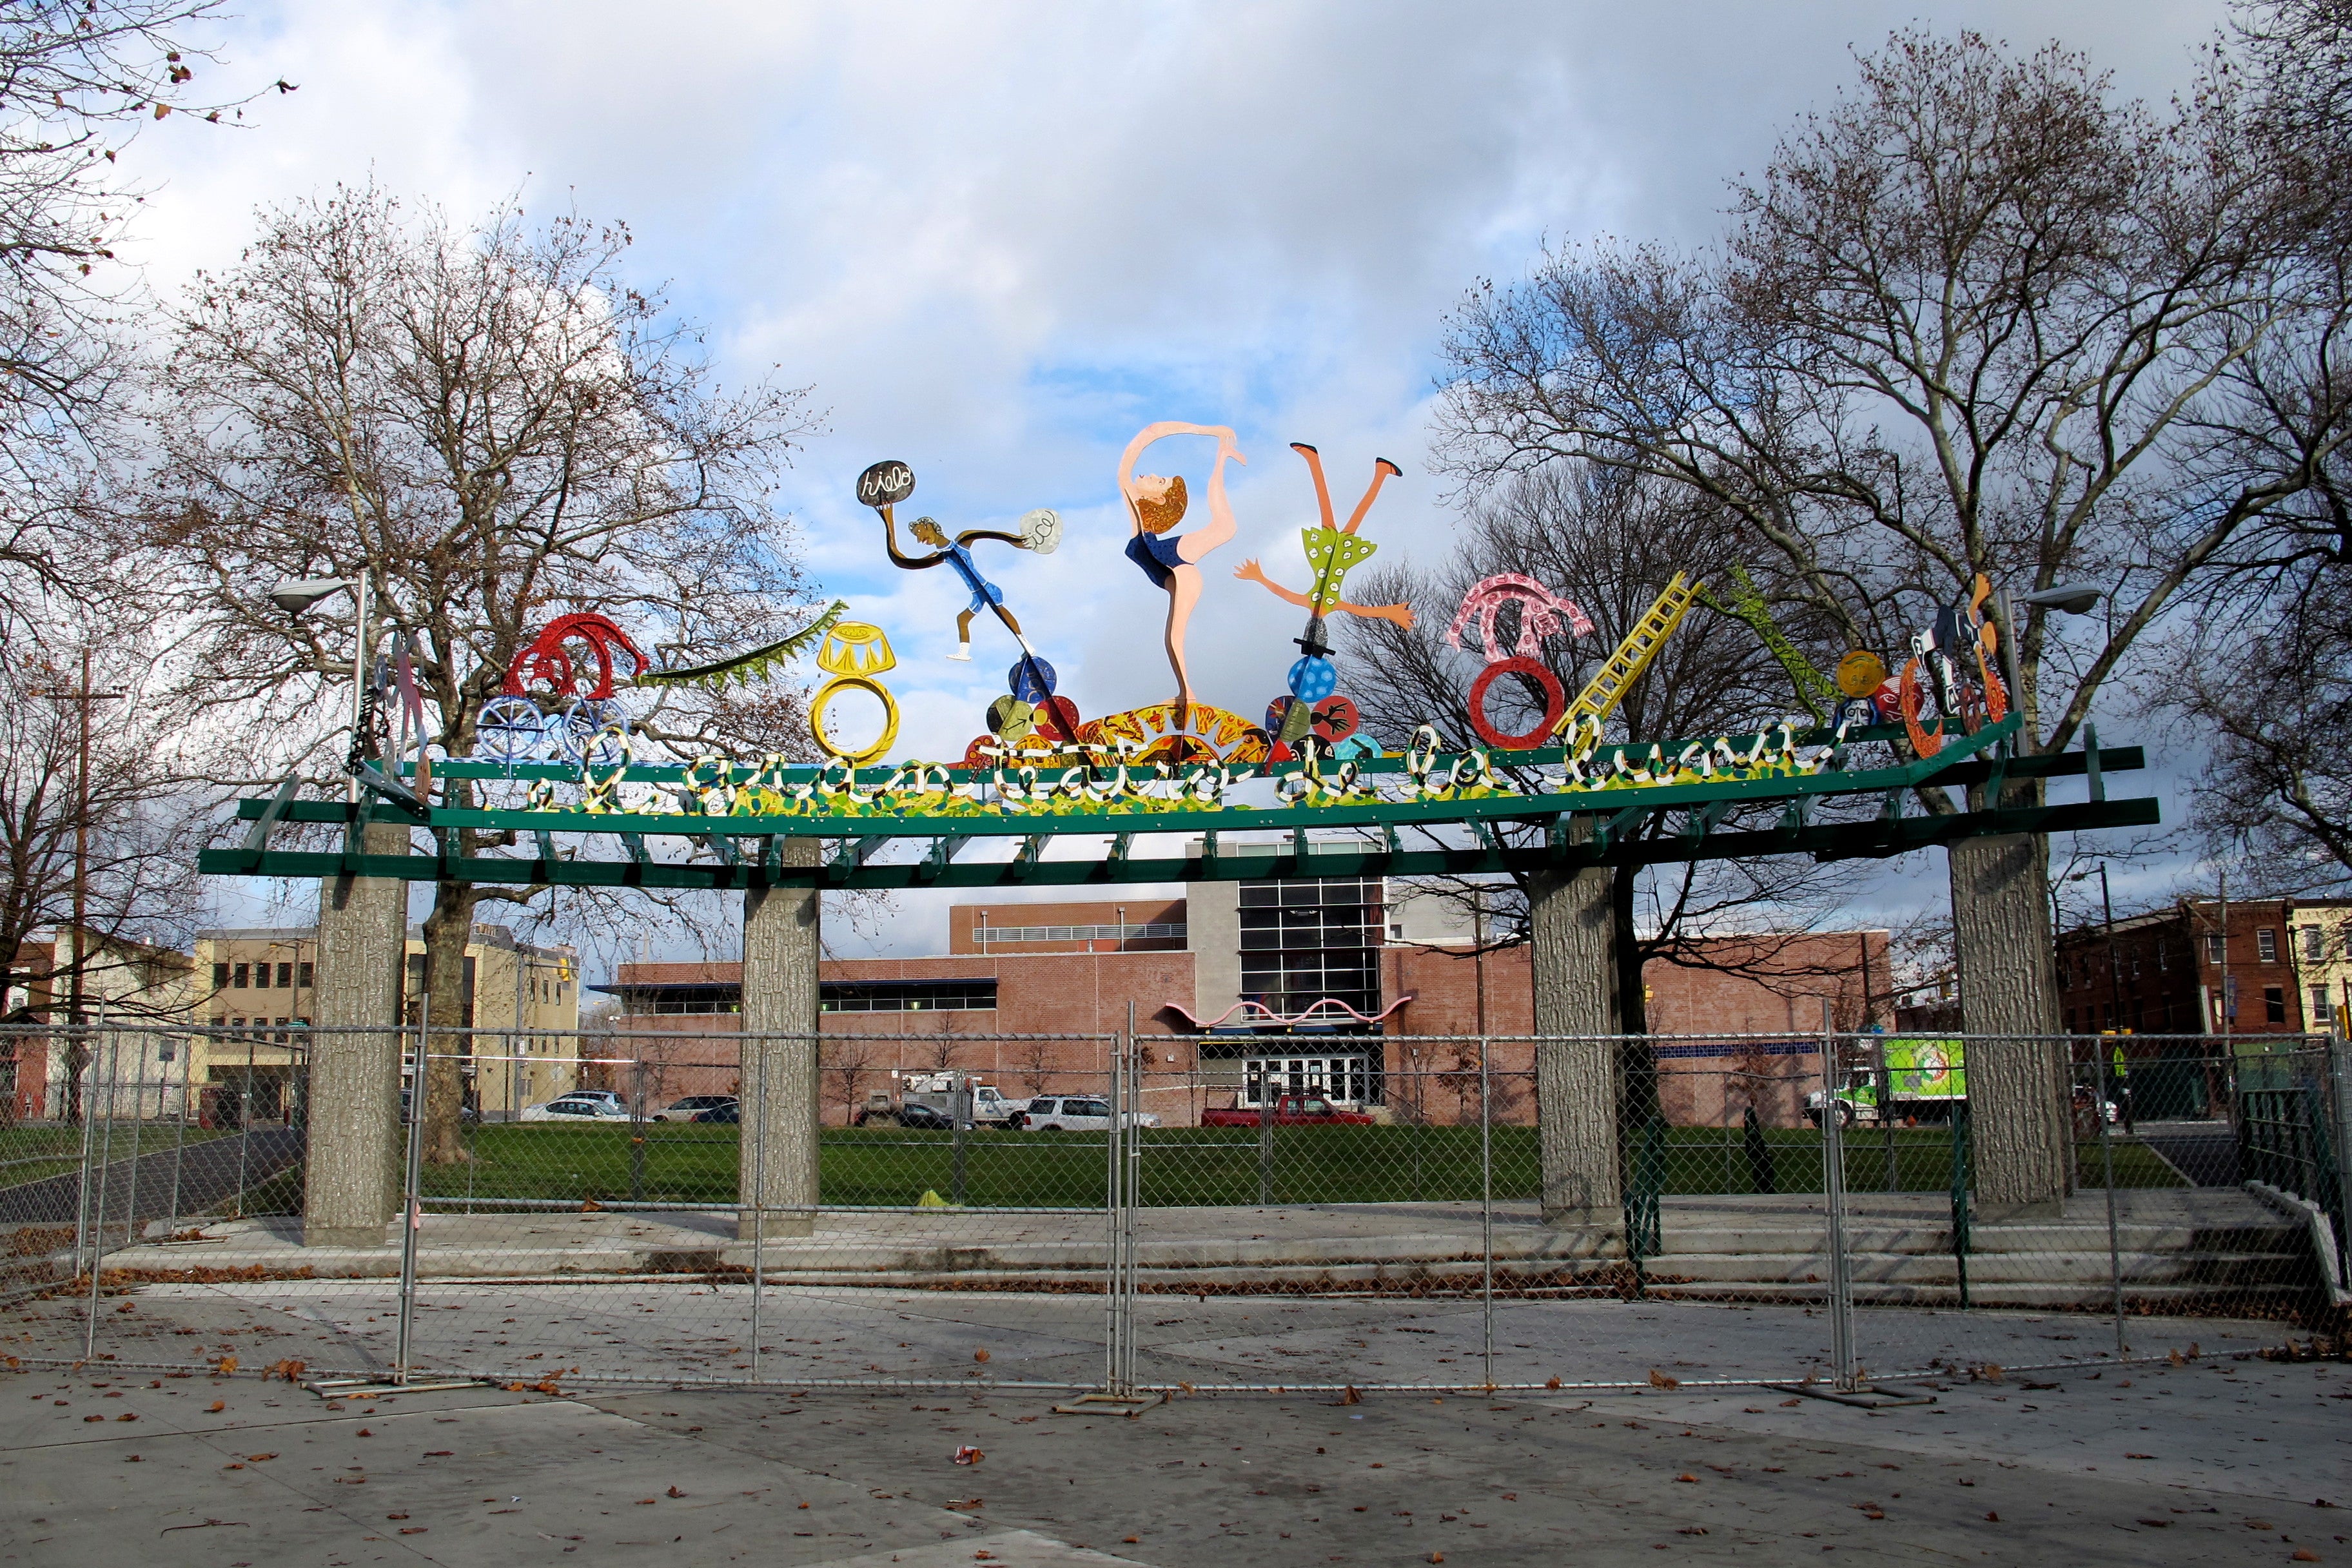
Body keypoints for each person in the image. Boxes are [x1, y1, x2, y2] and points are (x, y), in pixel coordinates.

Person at [1117, 421, 1245, 715]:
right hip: (1168, 569)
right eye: (1159, 477)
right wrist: (1208, 430)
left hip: (1177, 561)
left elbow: (1148, 435)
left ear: (1158, 497)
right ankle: (1185, 692)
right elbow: (1149, 433)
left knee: (1225, 527)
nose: (1151, 474)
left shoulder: (1142, 508)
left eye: (1159, 480)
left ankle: (1186, 693)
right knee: (1171, 636)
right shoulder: (1132, 496)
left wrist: (1213, 435)